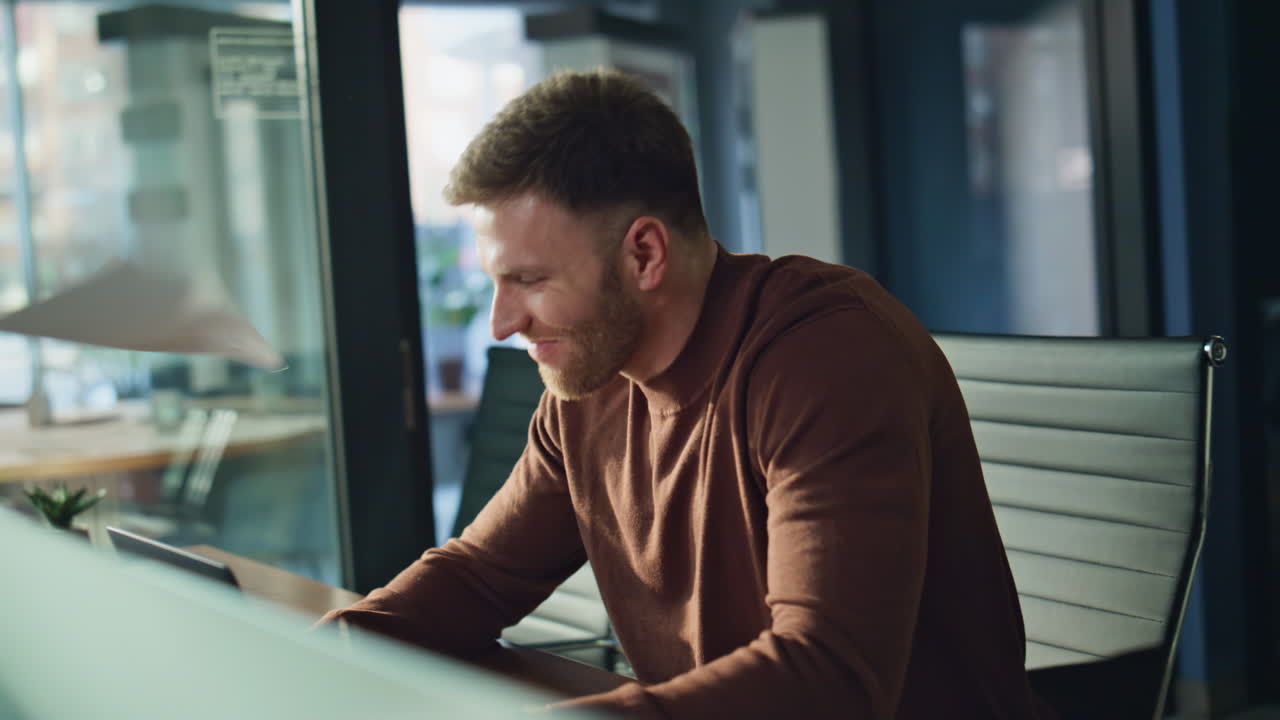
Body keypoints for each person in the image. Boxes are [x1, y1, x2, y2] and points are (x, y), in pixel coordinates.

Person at [320, 70, 1049, 719]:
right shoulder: (588, 388)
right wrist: (308, 654)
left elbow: (831, 678)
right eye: (495, 282)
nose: (503, 324)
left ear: (644, 253)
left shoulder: (827, 357)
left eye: (531, 281)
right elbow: (480, 578)